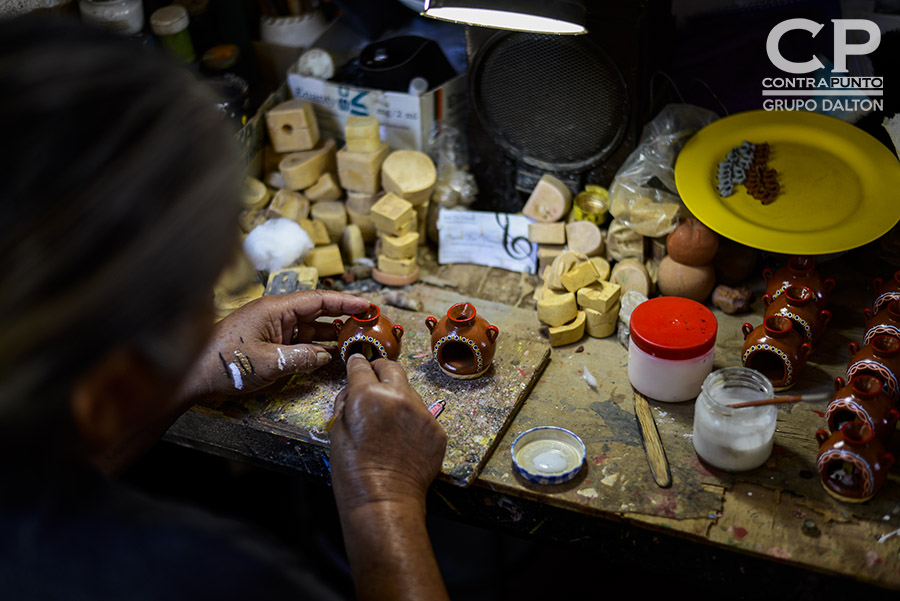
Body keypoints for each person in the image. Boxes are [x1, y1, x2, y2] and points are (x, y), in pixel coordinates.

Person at [0, 15, 449, 601]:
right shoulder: (202, 580)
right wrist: (379, 497)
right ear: (115, 374)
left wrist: (197, 371)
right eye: (208, 277)